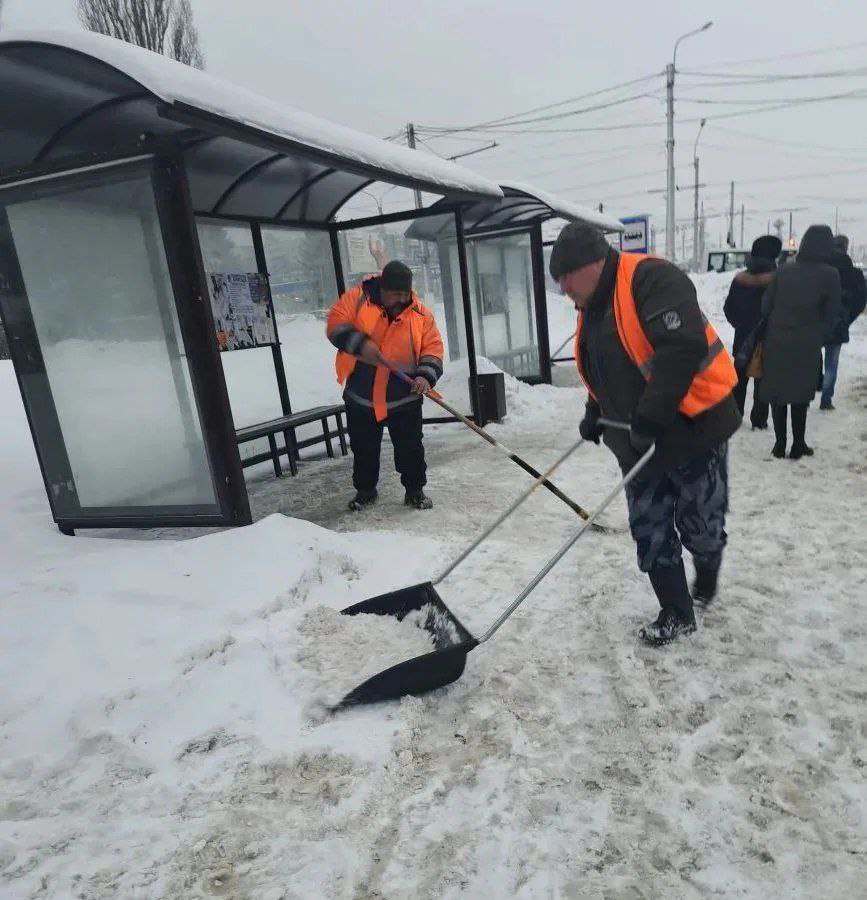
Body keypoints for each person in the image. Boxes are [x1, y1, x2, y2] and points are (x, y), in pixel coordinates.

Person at [549, 223, 741, 646]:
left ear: (593, 263)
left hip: (694, 428)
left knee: (700, 525)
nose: (563, 289)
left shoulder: (651, 278)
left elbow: (681, 350)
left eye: (565, 276)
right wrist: (594, 410)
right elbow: (610, 369)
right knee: (649, 527)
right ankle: (676, 611)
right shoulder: (592, 306)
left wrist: (652, 416)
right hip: (638, 443)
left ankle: (707, 568)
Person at [326, 260, 444, 511]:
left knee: (411, 449)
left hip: (404, 398)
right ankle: (365, 491)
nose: (402, 299)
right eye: (396, 294)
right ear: (383, 289)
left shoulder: (421, 314)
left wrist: (425, 376)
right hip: (362, 397)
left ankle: (415, 491)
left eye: (406, 293)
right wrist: (360, 344)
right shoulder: (357, 301)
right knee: (364, 449)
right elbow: (335, 324)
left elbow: (432, 348)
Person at [759, 225, 841, 459]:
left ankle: (779, 444)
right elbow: (832, 313)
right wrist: (820, 333)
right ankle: (798, 444)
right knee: (800, 393)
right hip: (807, 341)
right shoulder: (830, 275)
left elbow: (766, 306)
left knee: (778, 391)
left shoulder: (784, 271)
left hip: (777, 338)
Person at [724, 235, 781, 429]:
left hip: (743, 338)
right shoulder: (779, 280)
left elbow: (728, 309)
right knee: (763, 382)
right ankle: (759, 420)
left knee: (739, 379)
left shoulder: (740, 280)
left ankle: (735, 415)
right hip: (769, 338)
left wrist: (741, 325)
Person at [821, 234, 866, 410]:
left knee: (811, 359)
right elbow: (861, 300)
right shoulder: (853, 273)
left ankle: (806, 396)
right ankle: (826, 399)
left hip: (816, 321)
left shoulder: (821, 270)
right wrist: (848, 318)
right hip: (839, 322)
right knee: (832, 362)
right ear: (846, 248)